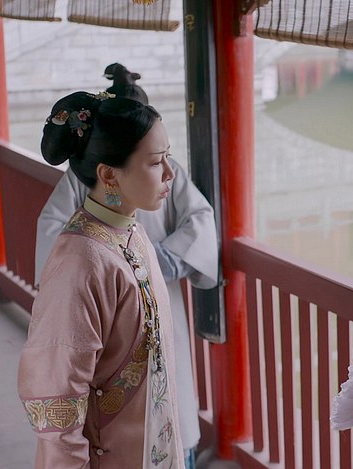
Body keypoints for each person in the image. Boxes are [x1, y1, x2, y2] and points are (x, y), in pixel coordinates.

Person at [34, 68, 218, 468]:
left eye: (167, 157)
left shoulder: (133, 234)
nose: (169, 172)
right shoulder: (79, 262)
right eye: (156, 162)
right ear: (107, 175)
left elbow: (201, 218)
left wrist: (165, 261)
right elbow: (57, 394)